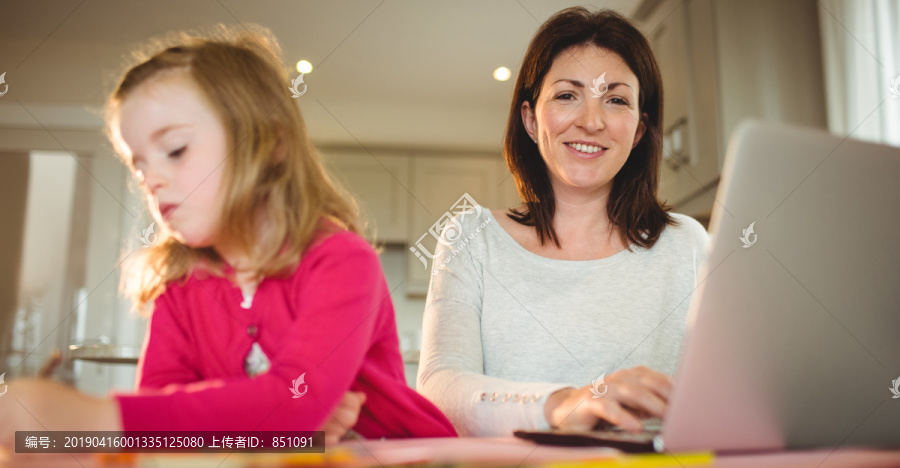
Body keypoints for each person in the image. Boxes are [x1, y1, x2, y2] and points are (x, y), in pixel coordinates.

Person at [0, 24, 456, 446]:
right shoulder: (179, 289)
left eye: (175, 150)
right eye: (138, 166)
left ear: (272, 144)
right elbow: (167, 429)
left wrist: (101, 421)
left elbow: (292, 403)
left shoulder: (341, 261)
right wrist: (274, 426)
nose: (151, 179)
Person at [417, 8, 711, 437]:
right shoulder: (471, 238)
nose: (591, 122)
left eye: (616, 99)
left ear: (640, 130)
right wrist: (561, 404)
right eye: (567, 95)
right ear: (531, 120)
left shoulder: (688, 245)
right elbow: (440, 388)